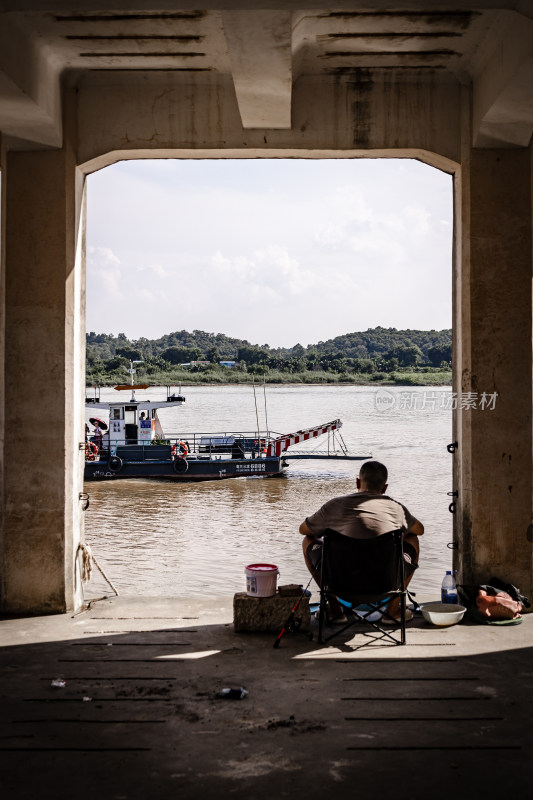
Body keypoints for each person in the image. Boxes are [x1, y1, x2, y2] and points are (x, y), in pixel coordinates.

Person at [299, 460, 423, 624]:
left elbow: (304, 530)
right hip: (385, 584)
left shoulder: (333, 506)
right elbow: (419, 530)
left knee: (308, 540)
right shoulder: (396, 508)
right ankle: (393, 611)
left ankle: (335, 610)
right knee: (412, 539)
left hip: (341, 584)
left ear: (357, 482)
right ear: (384, 488)